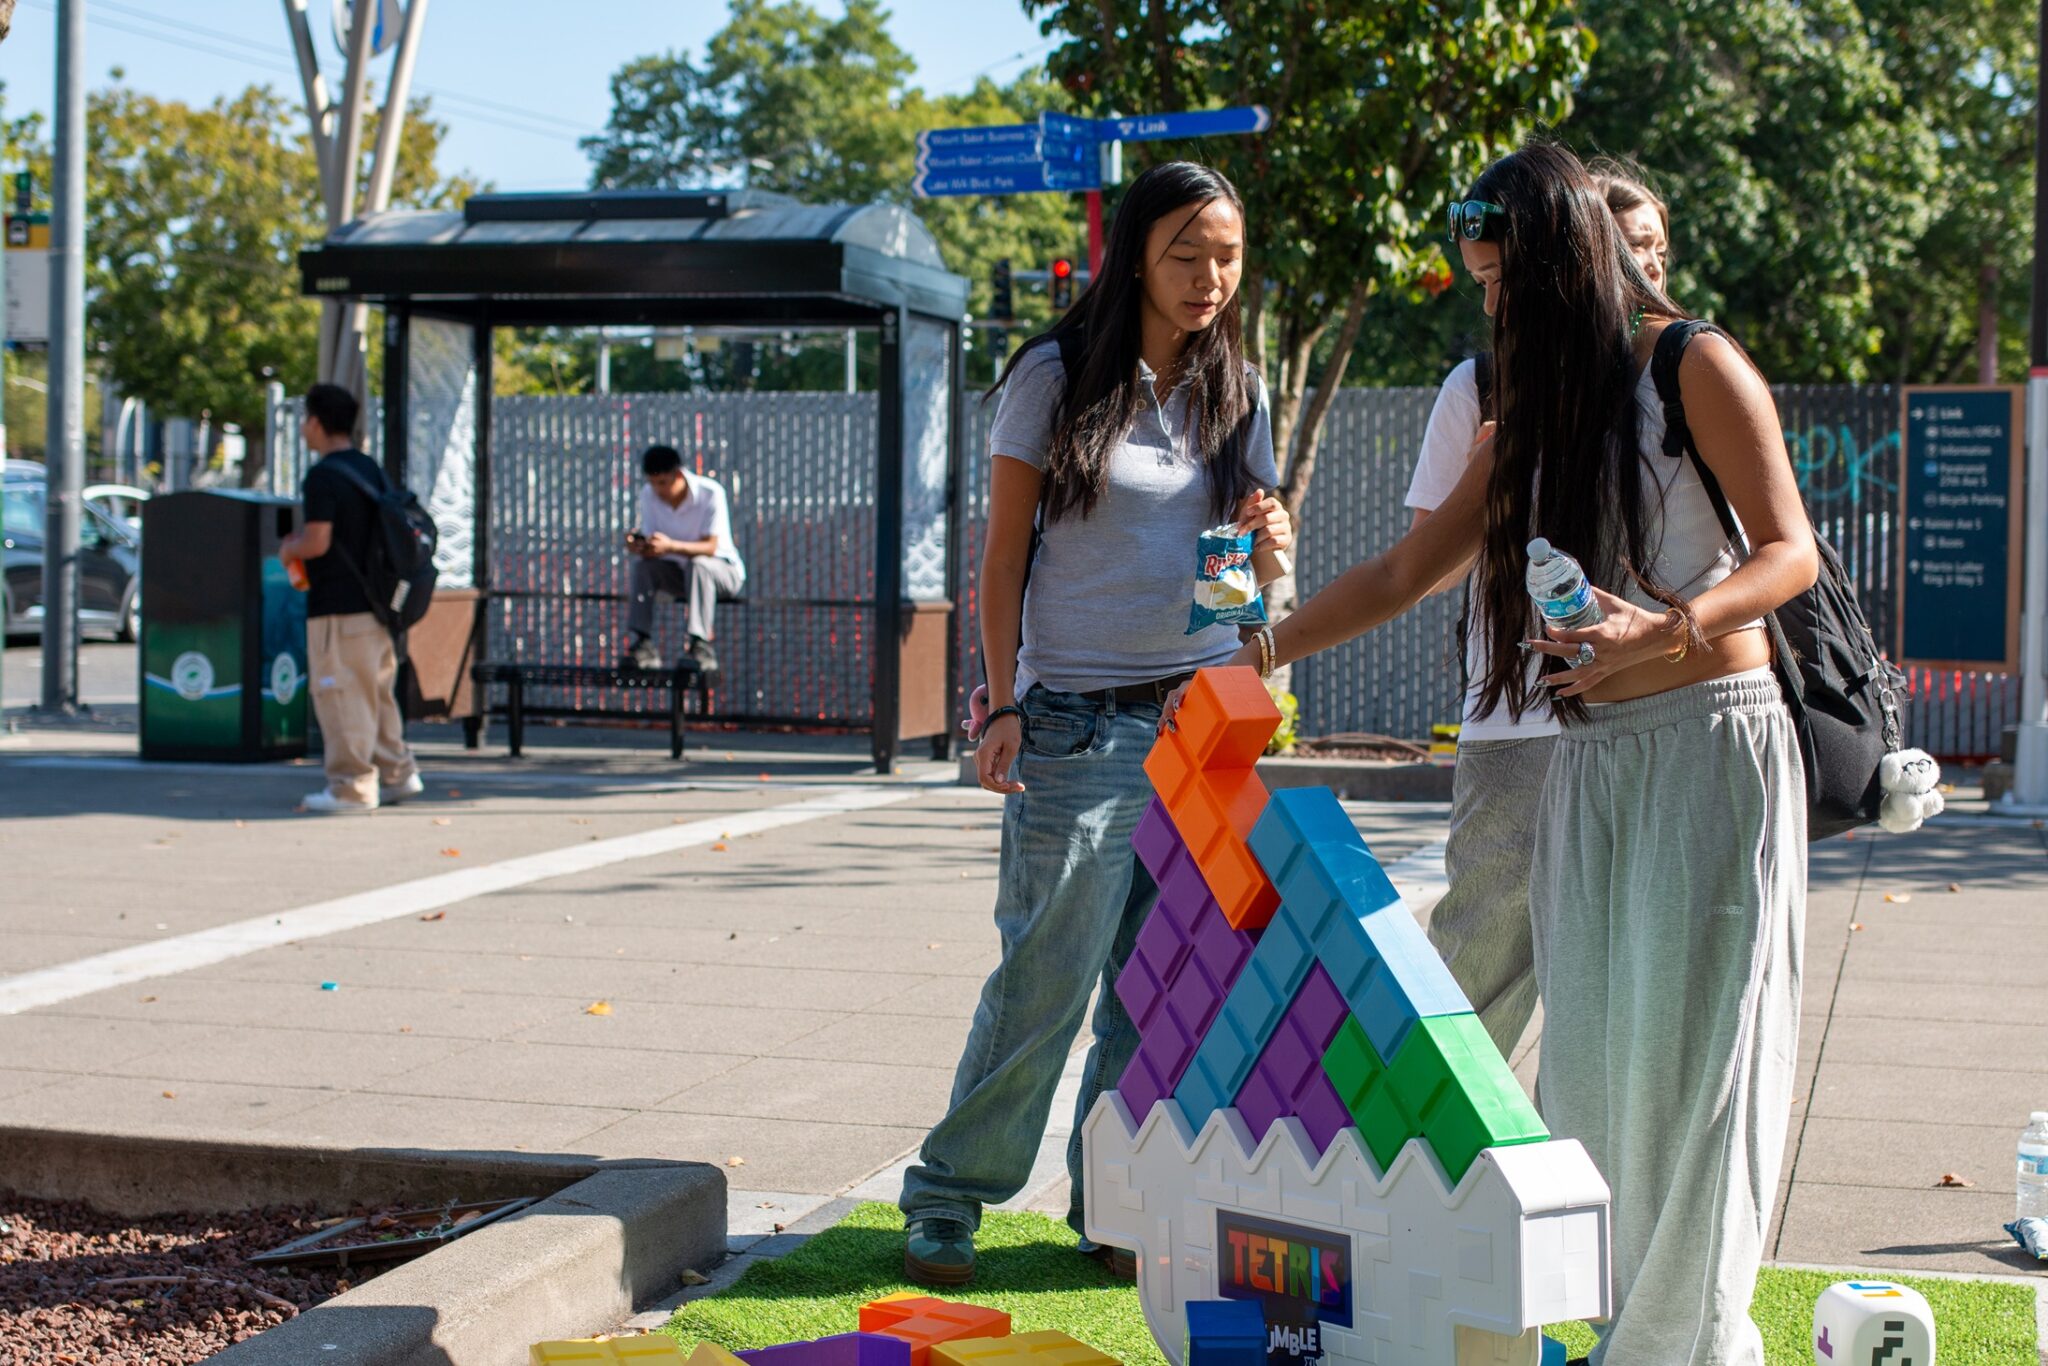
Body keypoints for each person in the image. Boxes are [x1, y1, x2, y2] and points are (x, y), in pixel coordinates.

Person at [1184, 141, 1815, 1366]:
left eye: (1504, 280)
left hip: (1707, 751)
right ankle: (1620, 1325)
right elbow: (1399, 573)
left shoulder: (1694, 362)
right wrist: (1252, 650)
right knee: (1593, 1078)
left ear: (1574, 261)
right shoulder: (1527, 414)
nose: (1491, 305)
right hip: (1590, 763)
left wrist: (1665, 625)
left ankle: (1680, 1345)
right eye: (1481, 282)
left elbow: (1786, 553)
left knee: (1701, 1076)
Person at [897, 161, 1293, 1287]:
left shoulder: (1235, 386)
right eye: (1185, 253)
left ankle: (1110, 1202)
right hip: (1072, 722)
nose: (1209, 277)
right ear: (1133, 254)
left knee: (1154, 988)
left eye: (1225, 254)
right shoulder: (1055, 374)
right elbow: (1002, 555)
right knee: (1043, 982)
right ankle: (946, 1198)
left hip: (1197, 724)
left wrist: (1262, 566)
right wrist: (1002, 696)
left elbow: (1232, 567)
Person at [1407, 160, 1679, 1064]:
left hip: (1652, 722)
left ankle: (1584, 1183)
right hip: (1519, 726)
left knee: (1622, 996)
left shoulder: (1680, 375)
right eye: (1621, 250)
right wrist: (1494, 487)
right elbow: (1422, 569)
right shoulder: (1481, 389)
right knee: (1477, 981)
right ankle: (1431, 1171)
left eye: (1654, 252)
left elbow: (1763, 561)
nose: (1641, 273)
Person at [278, 383, 422, 815]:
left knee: (339, 694)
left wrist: (289, 548)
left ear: (318, 422)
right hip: (376, 606)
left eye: (306, 419)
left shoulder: (323, 475)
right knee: (375, 694)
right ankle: (397, 774)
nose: (304, 428)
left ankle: (351, 787)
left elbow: (318, 541)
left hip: (337, 604)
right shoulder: (367, 468)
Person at [622, 445, 745, 675]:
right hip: (681, 575)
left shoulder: (710, 492)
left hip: (723, 574)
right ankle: (643, 644)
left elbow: (711, 547)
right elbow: (655, 545)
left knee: (699, 564)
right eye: (653, 483)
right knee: (643, 568)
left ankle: (700, 646)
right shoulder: (648, 495)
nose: (658, 490)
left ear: (678, 475)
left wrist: (671, 546)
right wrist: (641, 546)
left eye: (663, 483)